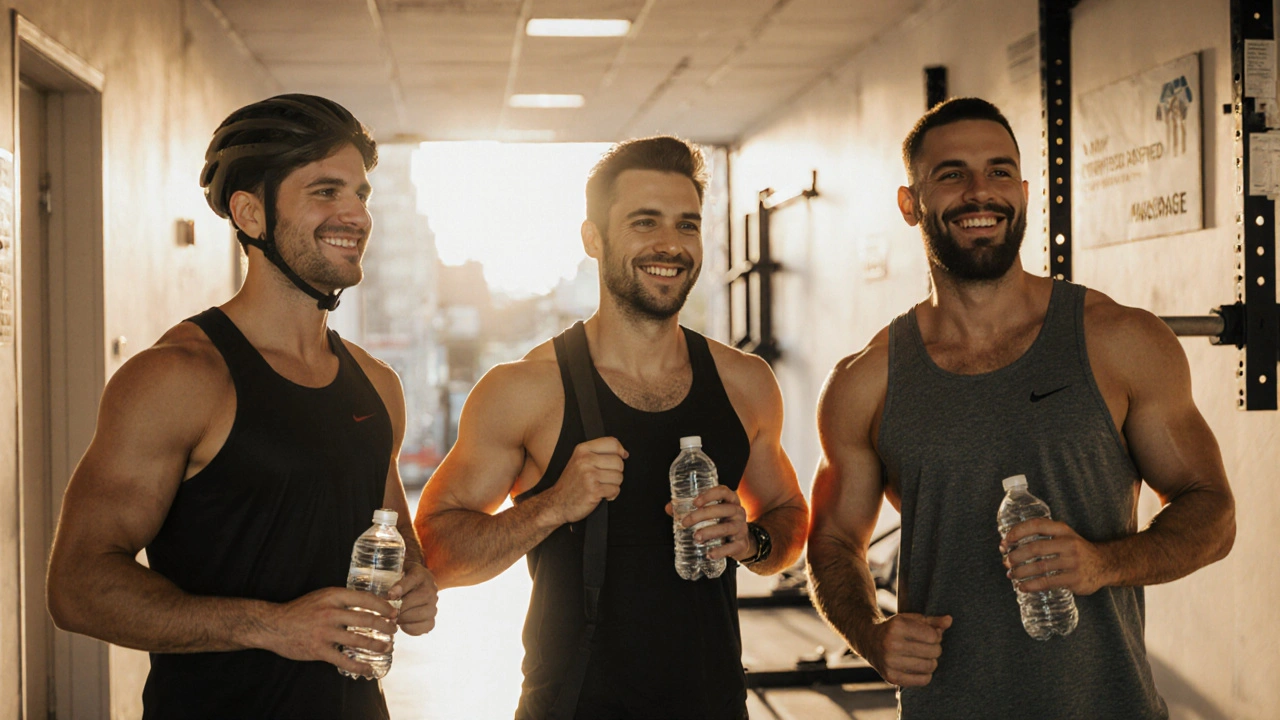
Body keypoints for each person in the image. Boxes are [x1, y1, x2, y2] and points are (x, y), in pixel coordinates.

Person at [806, 97, 1235, 719]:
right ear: (910, 204)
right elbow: (835, 539)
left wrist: (1102, 563)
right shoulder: (866, 380)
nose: (981, 192)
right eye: (951, 174)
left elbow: (1212, 511)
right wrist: (870, 634)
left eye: (1000, 171)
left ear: (1026, 192)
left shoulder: (1119, 341)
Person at [46, 94, 439, 720]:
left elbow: (390, 530)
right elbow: (77, 587)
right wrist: (271, 626)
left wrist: (416, 584)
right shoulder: (177, 378)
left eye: (361, 195)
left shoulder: (376, 383)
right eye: (325, 192)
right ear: (251, 214)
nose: (355, 215)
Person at [414, 136, 808, 720]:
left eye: (687, 225)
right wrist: (551, 506)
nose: (670, 245)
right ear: (593, 239)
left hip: (715, 706)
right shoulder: (524, 389)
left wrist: (754, 541)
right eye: (644, 222)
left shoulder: (745, 382)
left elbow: (789, 513)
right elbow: (435, 554)